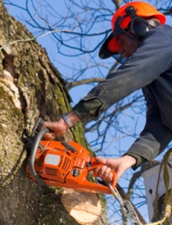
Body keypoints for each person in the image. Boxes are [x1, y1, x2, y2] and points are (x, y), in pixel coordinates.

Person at [43, 1, 172, 183]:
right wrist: (128, 160)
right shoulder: (156, 78)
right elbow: (161, 125)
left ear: (138, 27)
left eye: (120, 40)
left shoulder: (165, 37)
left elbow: (128, 77)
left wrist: (68, 120)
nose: (121, 50)